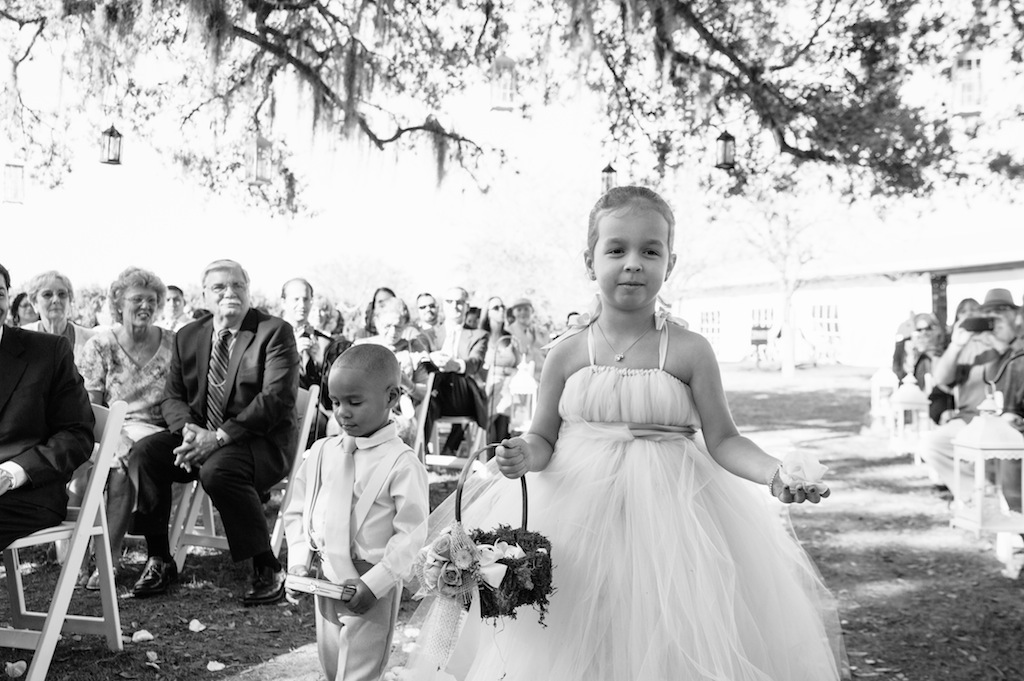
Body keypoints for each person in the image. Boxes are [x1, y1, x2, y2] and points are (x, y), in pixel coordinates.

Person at [405, 187, 844, 680]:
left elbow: (724, 439)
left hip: (674, 520)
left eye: (650, 250)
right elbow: (544, 436)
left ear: (669, 263)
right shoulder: (567, 352)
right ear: (590, 261)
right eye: (616, 249)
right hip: (575, 514)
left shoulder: (689, 350)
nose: (633, 263)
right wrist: (524, 454)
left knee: (661, 632)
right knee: (574, 633)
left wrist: (774, 473)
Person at [129, 259, 300, 605]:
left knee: (218, 469)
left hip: (259, 443)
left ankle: (267, 566)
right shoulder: (189, 336)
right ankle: (160, 558)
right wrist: (189, 432)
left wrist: (218, 437)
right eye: (220, 287)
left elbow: (275, 400)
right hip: (201, 436)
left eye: (238, 285)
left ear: (249, 291)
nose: (230, 293)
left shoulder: (274, 332)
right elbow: (172, 397)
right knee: (145, 454)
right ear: (205, 295)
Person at [284, 345, 428, 681]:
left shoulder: (403, 463)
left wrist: (376, 582)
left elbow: (411, 534)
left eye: (354, 402)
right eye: (335, 403)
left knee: (360, 672)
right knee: (332, 665)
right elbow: (298, 510)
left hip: (370, 583)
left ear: (391, 397)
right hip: (325, 577)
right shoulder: (322, 452)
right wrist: (298, 562)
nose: (342, 413)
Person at [77, 267, 176, 589]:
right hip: (109, 429)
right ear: (118, 303)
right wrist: (115, 436)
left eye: (152, 299)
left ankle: (107, 558)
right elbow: (89, 406)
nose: (145, 305)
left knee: (124, 463)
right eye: (137, 299)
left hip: (158, 432)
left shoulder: (172, 344)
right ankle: (103, 556)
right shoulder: (100, 346)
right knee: (116, 460)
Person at [0, 262, 96, 549]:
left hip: (26, 491)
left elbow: (77, 435)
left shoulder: (48, 352)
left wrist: (12, 473)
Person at [920, 288, 1022, 497]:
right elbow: (942, 379)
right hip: (969, 420)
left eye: (1003, 310)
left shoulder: (1019, 345)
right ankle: (977, 498)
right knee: (933, 444)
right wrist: (956, 345)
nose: (996, 315)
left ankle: (1008, 506)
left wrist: (1001, 341)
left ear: (1015, 315)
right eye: (991, 310)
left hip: (1008, 422)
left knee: (1004, 450)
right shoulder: (971, 344)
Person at [354, 297, 431, 445]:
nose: (393, 332)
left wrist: (407, 383)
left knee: (400, 429)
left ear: (405, 325)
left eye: (398, 326)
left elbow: (423, 392)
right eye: (387, 326)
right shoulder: (362, 347)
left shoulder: (413, 348)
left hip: (399, 414)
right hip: (362, 411)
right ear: (376, 322)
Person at [424, 287, 488, 456]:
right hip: (434, 396)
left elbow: (475, 362)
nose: (455, 306)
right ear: (443, 305)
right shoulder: (428, 334)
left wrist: (456, 365)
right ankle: (418, 455)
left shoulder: (478, 335)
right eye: (450, 302)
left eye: (460, 302)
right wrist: (432, 358)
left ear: (467, 306)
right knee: (426, 396)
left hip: (462, 396)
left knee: (449, 375)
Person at [20, 270, 96, 363]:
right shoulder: (21, 339)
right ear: (34, 303)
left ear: (70, 300)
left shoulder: (91, 339)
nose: (56, 300)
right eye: (47, 295)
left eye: (62, 294)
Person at [480, 296, 521, 444]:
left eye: (503, 307)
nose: (501, 310)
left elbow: (519, 366)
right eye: (496, 308)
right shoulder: (480, 336)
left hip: (508, 386)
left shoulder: (510, 338)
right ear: (488, 312)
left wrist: (506, 372)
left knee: (506, 398)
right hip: (488, 386)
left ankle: (500, 454)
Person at [281, 278, 333, 392]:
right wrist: (292, 354)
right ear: (283, 302)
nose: (302, 305)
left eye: (306, 299)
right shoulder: (269, 335)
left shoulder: (324, 341)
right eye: (296, 299)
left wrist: (321, 363)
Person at [506, 297, 546, 378]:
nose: (523, 313)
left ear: (532, 311)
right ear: (513, 313)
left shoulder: (542, 332)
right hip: (521, 379)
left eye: (526, 309)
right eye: (519, 310)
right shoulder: (508, 332)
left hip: (543, 376)